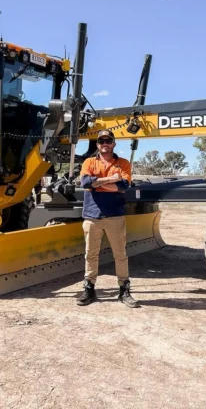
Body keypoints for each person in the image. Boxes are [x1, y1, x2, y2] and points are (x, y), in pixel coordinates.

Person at [76, 129, 139, 308]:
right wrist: (110, 179)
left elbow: (123, 186)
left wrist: (99, 183)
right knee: (90, 254)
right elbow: (86, 183)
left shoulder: (123, 163)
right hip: (92, 216)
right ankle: (89, 288)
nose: (105, 144)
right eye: (102, 141)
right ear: (97, 144)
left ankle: (124, 290)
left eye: (108, 140)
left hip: (115, 216)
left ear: (113, 143)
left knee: (120, 255)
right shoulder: (89, 162)